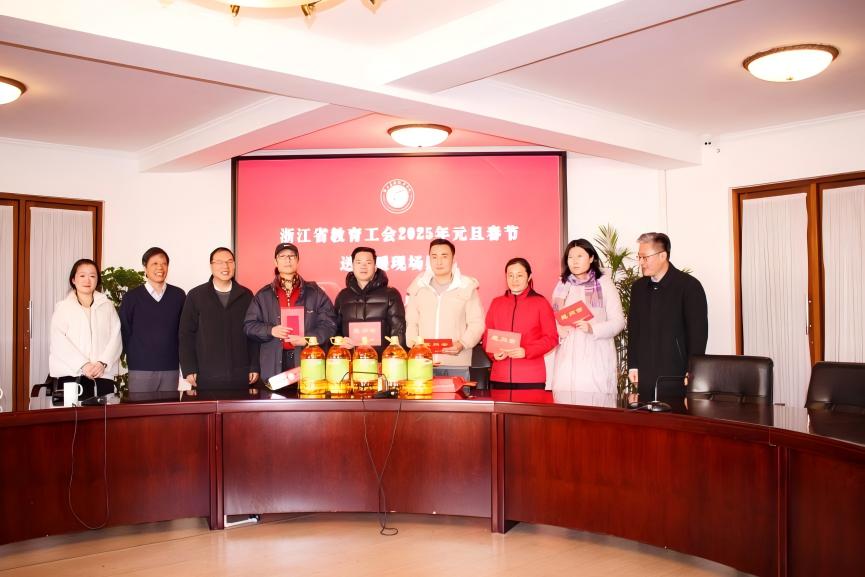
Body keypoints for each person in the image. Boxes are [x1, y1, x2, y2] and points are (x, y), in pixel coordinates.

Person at [627, 232, 708, 402]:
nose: (641, 262)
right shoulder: (638, 288)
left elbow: (698, 334)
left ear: (662, 256)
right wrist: (633, 365)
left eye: (645, 257)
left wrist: (693, 371)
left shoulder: (689, 286)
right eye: (639, 257)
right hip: (645, 374)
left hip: (676, 374)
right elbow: (634, 329)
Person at [244, 242, 338, 383]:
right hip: (274, 362)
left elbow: (330, 324)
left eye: (291, 256)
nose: (287, 260)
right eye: (282, 256)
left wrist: (308, 339)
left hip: (307, 360)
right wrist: (271, 330)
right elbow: (249, 326)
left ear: (298, 260)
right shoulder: (263, 295)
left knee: (307, 395)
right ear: (275, 261)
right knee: (274, 397)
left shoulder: (315, 293)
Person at [549, 239, 625, 396]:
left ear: (591, 258)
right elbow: (553, 317)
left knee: (596, 403)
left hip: (596, 352)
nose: (574, 261)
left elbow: (619, 321)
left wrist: (593, 328)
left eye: (580, 256)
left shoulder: (604, 283)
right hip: (568, 355)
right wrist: (559, 327)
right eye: (570, 257)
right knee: (566, 401)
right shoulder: (562, 285)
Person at [179, 247, 260, 393]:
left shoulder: (246, 295)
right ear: (211, 266)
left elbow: (253, 334)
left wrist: (254, 366)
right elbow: (186, 335)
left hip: (240, 374)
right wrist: (189, 367)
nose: (225, 266)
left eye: (229, 262)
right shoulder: (196, 295)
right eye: (220, 262)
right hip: (206, 374)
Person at [405, 238, 485, 379]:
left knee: (457, 394)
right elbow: (412, 322)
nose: (439, 261)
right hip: (423, 363)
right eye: (434, 257)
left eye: (444, 256)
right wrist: (413, 345)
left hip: (457, 363)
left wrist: (462, 343)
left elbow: (477, 323)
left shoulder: (466, 287)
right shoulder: (418, 287)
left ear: (453, 259)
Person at [484, 258, 557, 400]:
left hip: (531, 377)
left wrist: (526, 351)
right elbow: (487, 336)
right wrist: (493, 354)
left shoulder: (541, 303)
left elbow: (551, 338)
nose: (514, 280)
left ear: (529, 277)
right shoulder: (496, 303)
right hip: (500, 376)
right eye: (510, 275)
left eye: (519, 275)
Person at [49, 259, 122, 398]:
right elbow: (58, 341)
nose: (87, 280)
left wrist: (102, 363)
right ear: (73, 280)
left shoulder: (107, 306)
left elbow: (116, 337)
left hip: (102, 376)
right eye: (82, 275)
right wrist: (83, 365)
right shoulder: (63, 307)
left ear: (97, 280)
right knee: (73, 412)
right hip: (72, 376)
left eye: (92, 276)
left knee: (103, 412)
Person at [119, 247, 186, 393]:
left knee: (168, 407)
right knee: (140, 408)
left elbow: (183, 331)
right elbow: (125, 330)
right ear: (145, 268)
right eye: (154, 263)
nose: (160, 267)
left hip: (170, 367)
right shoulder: (131, 297)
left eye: (164, 264)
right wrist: (135, 356)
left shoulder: (179, 296)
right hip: (140, 369)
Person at [334, 246, 406, 354]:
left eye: (368, 262)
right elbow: (335, 329)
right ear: (352, 266)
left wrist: (394, 356)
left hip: (382, 360)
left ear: (375, 267)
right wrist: (341, 342)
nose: (363, 266)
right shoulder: (343, 296)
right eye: (358, 262)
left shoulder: (391, 294)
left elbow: (398, 331)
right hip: (351, 359)